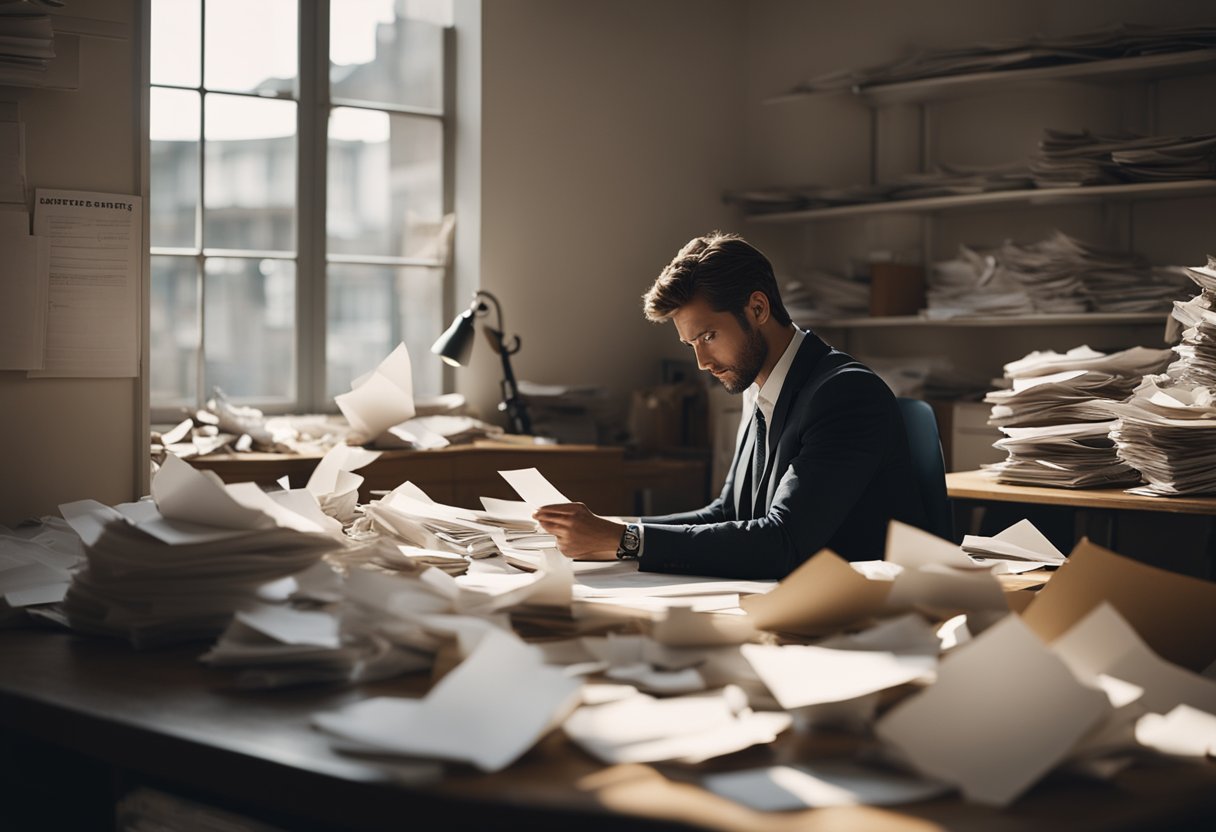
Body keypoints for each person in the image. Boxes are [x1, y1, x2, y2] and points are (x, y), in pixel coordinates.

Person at [534, 231, 927, 580]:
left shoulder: (845, 393)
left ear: (757, 309)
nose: (702, 362)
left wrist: (626, 539)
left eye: (708, 336)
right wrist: (609, 529)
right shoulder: (758, 387)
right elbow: (727, 513)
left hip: (852, 618)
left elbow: (784, 541)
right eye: (692, 344)